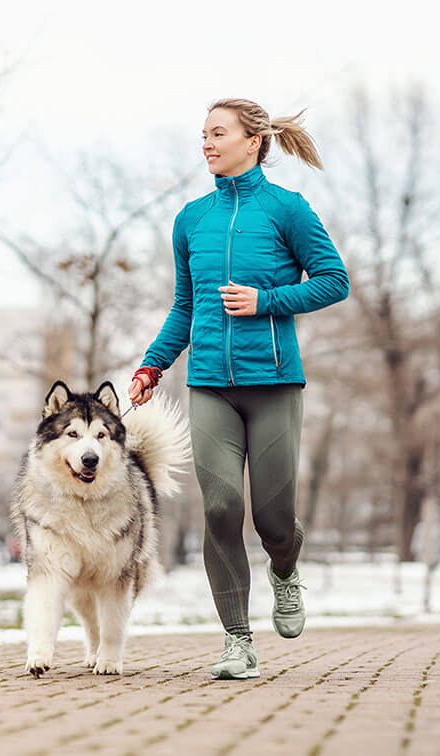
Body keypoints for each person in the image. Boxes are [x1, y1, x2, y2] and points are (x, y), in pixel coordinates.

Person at [128, 98, 349, 680]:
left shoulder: (287, 210)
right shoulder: (190, 220)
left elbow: (334, 280)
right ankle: (236, 641)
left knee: (274, 517)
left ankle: (284, 567)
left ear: (253, 141)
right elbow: (185, 307)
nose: (206, 143)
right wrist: (153, 366)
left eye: (218, 133)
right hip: (209, 387)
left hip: (274, 383)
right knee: (222, 507)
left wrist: (266, 301)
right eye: (202, 134)